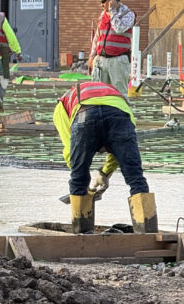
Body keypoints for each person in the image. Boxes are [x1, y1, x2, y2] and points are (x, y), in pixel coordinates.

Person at [53, 80, 157, 234]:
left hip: (85, 115)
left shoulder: (60, 108)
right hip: (119, 115)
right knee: (135, 177)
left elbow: (70, 149)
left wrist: (81, 177)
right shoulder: (118, 101)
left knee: (78, 178)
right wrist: (105, 173)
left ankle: (82, 231)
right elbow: (121, 152)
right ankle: (147, 231)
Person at [88, 0, 134, 96]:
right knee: (98, 92)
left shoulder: (128, 14)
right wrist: (92, 55)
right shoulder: (103, 15)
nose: (101, 5)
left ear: (113, 0)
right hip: (101, 60)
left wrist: (112, 11)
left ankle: (121, 113)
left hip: (118, 60)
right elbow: (98, 37)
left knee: (119, 93)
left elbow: (119, 28)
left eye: (103, 1)